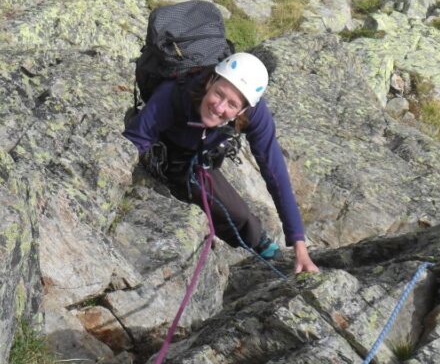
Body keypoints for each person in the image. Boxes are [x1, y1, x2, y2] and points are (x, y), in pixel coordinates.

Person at [123, 52, 320, 274]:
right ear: (210, 81)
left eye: (232, 104)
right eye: (219, 94)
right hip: (161, 148)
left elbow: (276, 173)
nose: (219, 107)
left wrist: (299, 244)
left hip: (199, 157)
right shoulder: (174, 95)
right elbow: (131, 144)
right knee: (186, 182)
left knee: (240, 215)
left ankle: (257, 241)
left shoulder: (256, 114)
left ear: (243, 110)